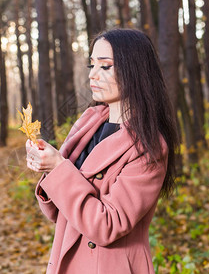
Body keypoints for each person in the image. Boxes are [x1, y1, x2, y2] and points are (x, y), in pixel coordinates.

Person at [25, 28, 179, 274]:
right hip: (67, 259)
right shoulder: (90, 122)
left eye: (105, 67)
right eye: (92, 66)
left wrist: (58, 168)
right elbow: (58, 212)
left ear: (135, 71)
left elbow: (107, 226)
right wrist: (47, 165)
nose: (93, 76)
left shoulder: (149, 145)